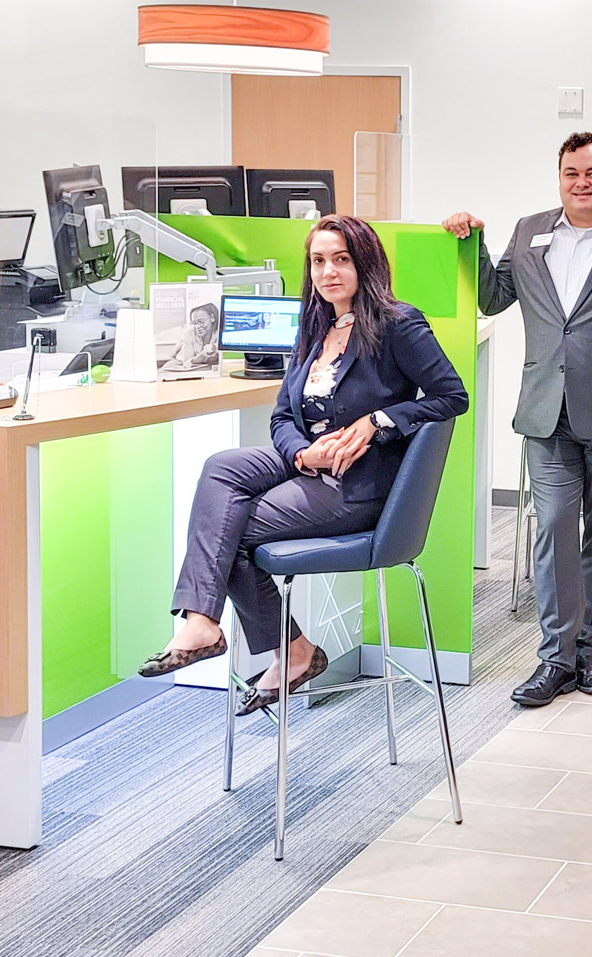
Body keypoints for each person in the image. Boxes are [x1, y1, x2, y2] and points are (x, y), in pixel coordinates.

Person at [141, 215, 467, 715]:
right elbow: (281, 416)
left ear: (365, 262)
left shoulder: (399, 324)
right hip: (308, 462)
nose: (328, 272)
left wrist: (378, 420)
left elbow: (451, 396)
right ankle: (208, 621)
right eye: (318, 261)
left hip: (357, 484)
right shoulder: (314, 325)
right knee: (221, 467)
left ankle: (286, 650)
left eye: (341, 259)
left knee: (234, 529)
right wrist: (299, 452)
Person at [442, 132, 592, 707]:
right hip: (547, 413)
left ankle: (587, 649)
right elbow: (494, 298)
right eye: (571, 171)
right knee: (551, 529)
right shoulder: (529, 231)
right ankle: (554, 656)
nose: (581, 181)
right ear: (560, 176)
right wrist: (470, 241)